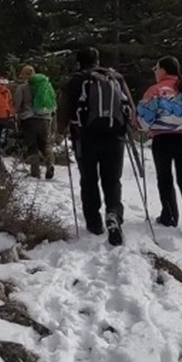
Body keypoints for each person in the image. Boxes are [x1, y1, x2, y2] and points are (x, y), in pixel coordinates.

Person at [57, 47, 136, 246]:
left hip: (85, 138)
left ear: (79, 62)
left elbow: (63, 110)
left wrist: (60, 130)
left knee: (89, 180)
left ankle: (94, 223)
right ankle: (113, 215)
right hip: (115, 137)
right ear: (98, 60)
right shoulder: (116, 77)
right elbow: (130, 110)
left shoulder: (76, 80)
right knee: (112, 180)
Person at [138, 55, 182, 237]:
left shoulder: (155, 90)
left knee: (165, 178)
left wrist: (144, 125)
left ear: (162, 69)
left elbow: (144, 119)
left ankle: (169, 215)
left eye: (156, 68)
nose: (155, 72)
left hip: (162, 139)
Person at [13, 64, 56, 179]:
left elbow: (16, 104)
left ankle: (35, 172)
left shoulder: (23, 87)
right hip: (45, 118)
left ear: (24, 75)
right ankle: (50, 163)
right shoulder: (45, 85)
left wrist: (14, 114)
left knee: (32, 145)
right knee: (46, 144)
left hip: (29, 119)